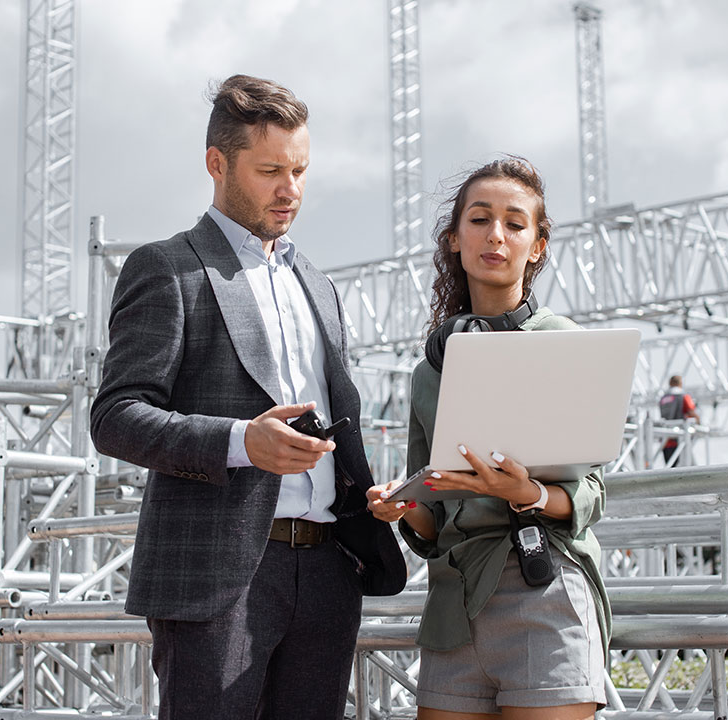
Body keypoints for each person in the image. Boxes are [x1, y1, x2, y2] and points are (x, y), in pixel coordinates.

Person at [90, 74, 406, 720]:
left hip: (326, 572)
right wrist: (242, 443)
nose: (290, 189)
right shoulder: (167, 268)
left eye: (300, 170)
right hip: (218, 578)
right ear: (217, 163)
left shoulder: (315, 284)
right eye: (270, 171)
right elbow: (115, 416)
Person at [368, 157, 610, 720]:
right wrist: (402, 506)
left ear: (538, 245)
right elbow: (431, 520)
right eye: (479, 219)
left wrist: (524, 493)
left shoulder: (566, 344)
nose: (495, 235)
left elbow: (592, 494)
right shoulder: (430, 369)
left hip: (543, 588)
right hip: (453, 602)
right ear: (454, 239)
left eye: (515, 223)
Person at [658, 375, 698, 467]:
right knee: (682, 469)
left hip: (665, 439)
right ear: (680, 383)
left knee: (670, 468)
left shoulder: (663, 399)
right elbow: (691, 412)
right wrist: (698, 421)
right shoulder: (683, 396)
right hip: (679, 439)